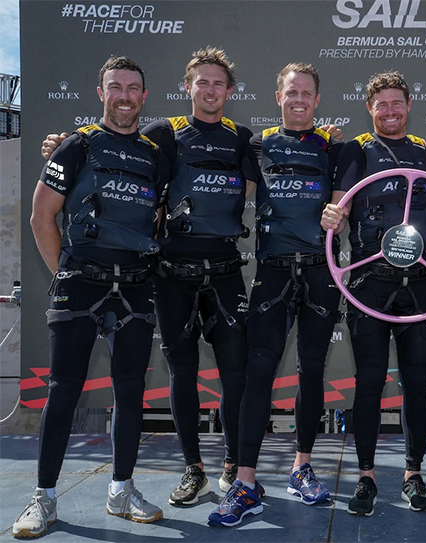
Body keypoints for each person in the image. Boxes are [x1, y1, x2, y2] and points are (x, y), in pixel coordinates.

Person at [41, 48, 261, 508]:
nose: (210, 90)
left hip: (222, 271)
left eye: (218, 83)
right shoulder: (161, 134)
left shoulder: (241, 138)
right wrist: (59, 146)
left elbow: (278, 169)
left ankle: (231, 469)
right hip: (167, 274)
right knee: (180, 372)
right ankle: (193, 470)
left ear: (230, 91)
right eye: (201, 82)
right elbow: (108, 156)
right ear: (187, 87)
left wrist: (328, 140)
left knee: (235, 374)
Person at [14, 55, 170, 539]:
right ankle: (43, 498)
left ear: (143, 96)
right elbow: (42, 216)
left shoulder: (155, 155)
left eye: (132, 88)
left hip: (135, 288)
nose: (124, 96)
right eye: (115, 87)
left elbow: (157, 219)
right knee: (63, 389)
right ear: (101, 93)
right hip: (81, 284)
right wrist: (66, 272)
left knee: (130, 391)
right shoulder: (76, 146)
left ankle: (121, 490)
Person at [207, 63, 344, 527]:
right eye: (291, 92)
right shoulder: (256, 144)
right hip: (272, 271)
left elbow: (343, 202)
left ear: (317, 100)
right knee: (258, 371)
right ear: (278, 96)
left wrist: (337, 214)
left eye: (306, 92)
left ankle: (302, 468)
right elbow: (212, 178)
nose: (298, 99)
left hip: (321, 272)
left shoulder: (335, 147)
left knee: (312, 370)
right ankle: (245, 482)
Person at [321, 71, 426, 516]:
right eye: (381, 104)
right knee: (370, 382)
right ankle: (366, 476)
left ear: (409, 105)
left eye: (397, 103)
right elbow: (340, 205)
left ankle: (413, 475)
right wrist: (333, 217)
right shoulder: (356, 149)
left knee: (417, 381)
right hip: (369, 283)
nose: (389, 112)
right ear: (369, 108)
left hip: (422, 284)